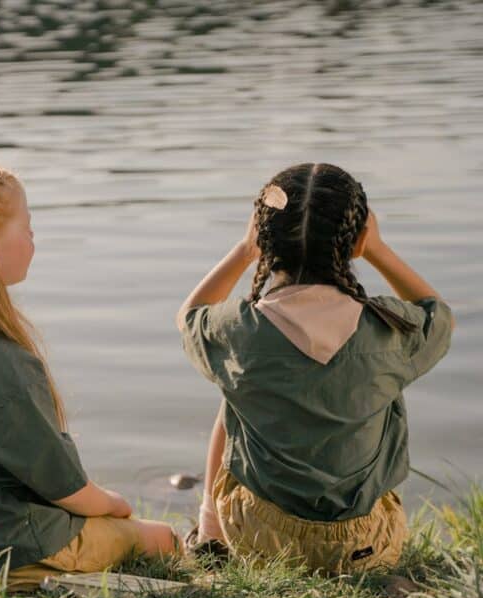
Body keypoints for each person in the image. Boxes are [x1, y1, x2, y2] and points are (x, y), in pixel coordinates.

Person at [0, 160, 179, 588]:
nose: (33, 237)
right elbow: (65, 488)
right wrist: (113, 504)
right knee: (163, 537)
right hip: (14, 547)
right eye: (27, 227)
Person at [179, 163, 453, 573]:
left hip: (260, 541)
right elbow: (439, 315)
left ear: (264, 237)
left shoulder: (240, 330)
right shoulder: (390, 328)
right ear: (355, 240)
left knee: (234, 388)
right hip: (367, 547)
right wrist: (377, 249)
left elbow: (191, 315)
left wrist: (243, 249)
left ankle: (211, 534)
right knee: (383, 378)